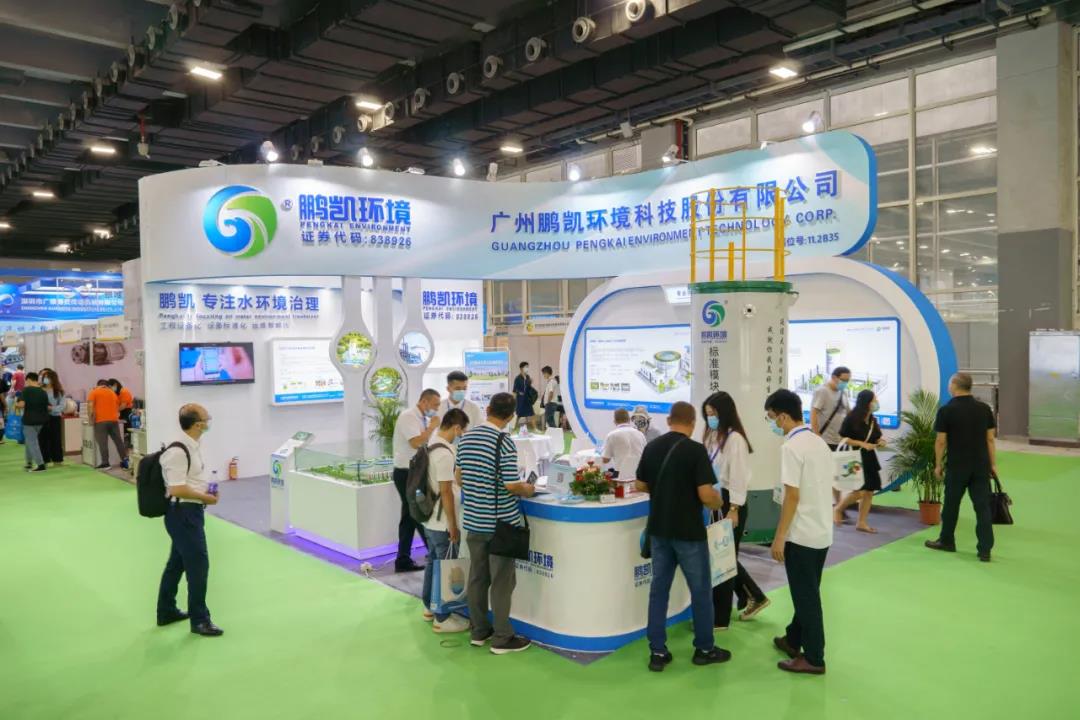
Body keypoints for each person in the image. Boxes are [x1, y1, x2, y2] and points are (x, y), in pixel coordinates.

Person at [634, 401, 730, 672]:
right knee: (700, 591)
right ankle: (704, 649)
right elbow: (706, 494)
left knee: (658, 592)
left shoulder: (652, 447)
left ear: (669, 420)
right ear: (692, 423)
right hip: (689, 532)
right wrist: (718, 501)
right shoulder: (695, 451)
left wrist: (663, 488)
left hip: (659, 530)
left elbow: (640, 484)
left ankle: (657, 652)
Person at [458, 391, 535, 654]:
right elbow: (511, 485)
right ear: (511, 416)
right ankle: (502, 637)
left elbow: (459, 477)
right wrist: (528, 489)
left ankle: (479, 631)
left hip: (474, 520)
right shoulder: (504, 442)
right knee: (502, 582)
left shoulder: (467, 437)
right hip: (500, 524)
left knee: (478, 578)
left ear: (488, 409)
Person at [766, 389, 835, 675]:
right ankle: (793, 639)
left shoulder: (791, 448)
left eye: (772, 418)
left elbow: (791, 496)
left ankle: (815, 657)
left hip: (801, 534)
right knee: (807, 590)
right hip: (822, 531)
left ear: (783, 416)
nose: (772, 423)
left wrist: (779, 536)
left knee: (806, 598)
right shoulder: (818, 442)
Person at [701, 392, 769, 628]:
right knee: (721, 556)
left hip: (730, 502)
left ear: (724, 412)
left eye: (713, 414)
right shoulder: (713, 435)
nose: (710, 418)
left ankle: (720, 619)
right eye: (707, 414)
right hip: (715, 499)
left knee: (723, 559)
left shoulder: (735, 439)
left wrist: (734, 509)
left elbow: (739, 477)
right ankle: (754, 595)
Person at [156, 403, 223, 637]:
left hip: (188, 512)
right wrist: (206, 497)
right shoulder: (178, 451)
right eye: (206, 418)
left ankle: (166, 610)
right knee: (198, 566)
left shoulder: (192, 446)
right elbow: (177, 488)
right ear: (197, 424)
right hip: (182, 514)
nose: (209, 421)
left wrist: (205, 493)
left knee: (177, 563)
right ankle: (200, 619)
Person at [925, 373, 997, 562]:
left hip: (957, 466)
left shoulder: (946, 411)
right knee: (982, 507)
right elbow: (990, 439)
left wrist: (938, 464)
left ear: (955, 386)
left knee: (951, 505)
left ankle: (947, 541)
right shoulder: (984, 409)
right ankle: (985, 550)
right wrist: (993, 464)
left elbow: (941, 441)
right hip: (980, 465)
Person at [420, 408, 471, 634]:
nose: (462, 435)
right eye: (462, 431)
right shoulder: (444, 454)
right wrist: (453, 525)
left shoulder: (431, 444)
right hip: (442, 522)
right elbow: (446, 492)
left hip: (430, 519)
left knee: (433, 563)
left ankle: (429, 607)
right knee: (445, 566)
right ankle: (442, 617)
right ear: (456, 428)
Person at [391, 389, 441, 572]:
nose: (436, 409)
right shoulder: (409, 417)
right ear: (424, 401)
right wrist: (432, 427)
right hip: (406, 473)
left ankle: (404, 558)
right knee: (416, 512)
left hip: (414, 472)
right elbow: (416, 442)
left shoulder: (421, 418)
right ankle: (432, 551)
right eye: (435, 405)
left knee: (411, 514)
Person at [834, 390, 887, 533]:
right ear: (866, 402)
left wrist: (880, 441)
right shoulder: (852, 418)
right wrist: (861, 443)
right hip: (855, 457)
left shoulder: (872, 420)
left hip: (870, 458)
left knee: (869, 491)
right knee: (859, 491)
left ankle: (861, 523)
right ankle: (838, 508)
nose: (876, 403)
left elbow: (876, 437)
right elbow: (843, 438)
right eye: (874, 400)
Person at [87, 379, 128, 470]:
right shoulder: (112, 393)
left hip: (100, 421)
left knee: (103, 443)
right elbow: (117, 406)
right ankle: (125, 461)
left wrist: (90, 419)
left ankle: (105, 463)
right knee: (118, 441)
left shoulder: (94, 392)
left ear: (98, 385)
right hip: (114, 420)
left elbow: (90, 406)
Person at [811, 366, 851, 450]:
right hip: (826, 441)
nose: (845, 383)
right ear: (833, 377)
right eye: (843, 380)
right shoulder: (822, 391)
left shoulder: (844, 392)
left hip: (842, 441)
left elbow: (849, 413)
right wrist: (817, 437)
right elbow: (814, 414)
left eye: (847, 381)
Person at [17, 372, 50, 472]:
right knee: (29, 441)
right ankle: (29, 462)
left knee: (32, 442)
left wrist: (16, 404)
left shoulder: (26, 390)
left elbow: (21, 405)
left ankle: (40, 465)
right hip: (42, 420)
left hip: (29, 420)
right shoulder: (43, 391)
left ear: (29, 380)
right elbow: (48, 407)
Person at [601, 408, 646, 480]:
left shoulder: (611, 435)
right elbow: (645, 455)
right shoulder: (640, 434)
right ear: (629, 419)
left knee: (603, 474)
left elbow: (605, 460)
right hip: (639, 475)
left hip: (620, 476)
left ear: (614, 421)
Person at [40, 369, 65, 465]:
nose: (45, 379)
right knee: (43, 439)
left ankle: (57, 459)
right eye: (44, 377)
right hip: (42, 417)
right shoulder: (40, 390)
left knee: (56, 438)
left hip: (55, 417)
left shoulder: (59, 391)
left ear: (53, 378)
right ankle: (44, 460)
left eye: (47, 377)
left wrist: (52, 408)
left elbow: (62, 406)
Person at [512, 361, 536, 431]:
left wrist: (530, 382)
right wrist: (514, 401)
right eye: (526, 367)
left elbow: (528, 388)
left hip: (527, 399)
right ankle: (513, 429)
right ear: (521, 368)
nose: (527, 368)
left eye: (528, 367)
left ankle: (535, 428)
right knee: (518, 415)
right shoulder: (517, 378)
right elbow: (514, 390)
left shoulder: (528, 377)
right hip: (520, 400)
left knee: (531, 414)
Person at [540, 366, 559, 430]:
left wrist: (548, 402)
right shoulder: (552, 381)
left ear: (547, 373)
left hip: (550, 403)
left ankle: (556, 432)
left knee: (549, 419)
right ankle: (554, 432)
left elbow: (551, 393)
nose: (543, 375)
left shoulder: (551, 381)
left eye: (544, 374)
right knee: (550, 419)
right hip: (552, 403)